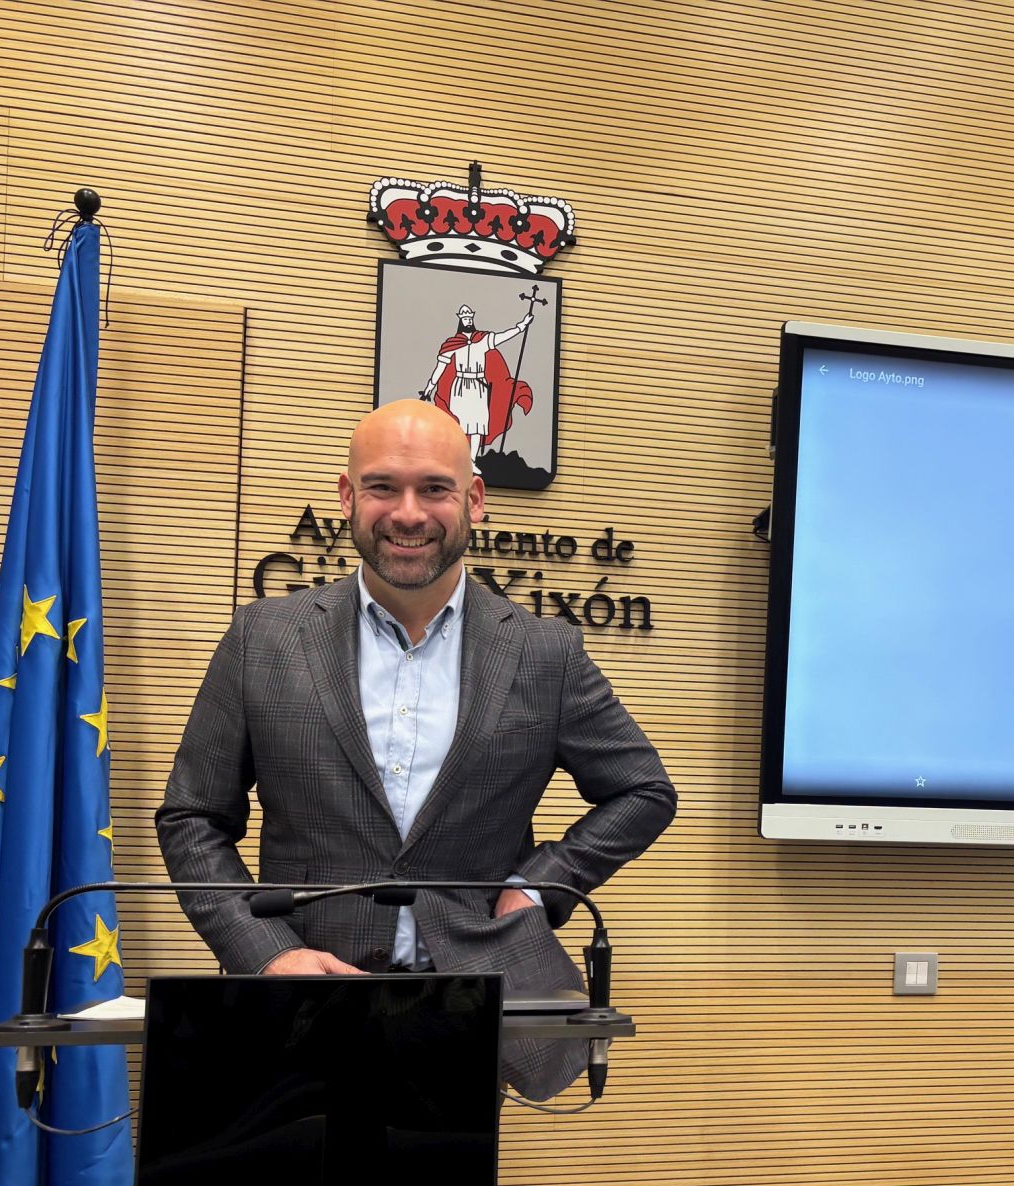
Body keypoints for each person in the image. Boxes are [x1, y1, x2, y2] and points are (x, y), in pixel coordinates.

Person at [155, 399, 676, 1097]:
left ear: (475, 500)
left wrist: (538, 886)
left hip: (468, 1007)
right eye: (382, 487)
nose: (407, 513)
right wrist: (266, 954)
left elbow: (643, 791)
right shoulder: (262, 641)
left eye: (434, 488)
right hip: (297, 1005)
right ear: (348, 496)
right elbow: (193, 819)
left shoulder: (544, 653)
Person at [419, 302, 534, 459]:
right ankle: (458, 458)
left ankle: (472, 461)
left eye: (469, 318)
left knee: (478, 425)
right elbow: (440, 368)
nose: (467, 321)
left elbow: (503, 336)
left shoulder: (482, 340)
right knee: (459, 424)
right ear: (460, 320)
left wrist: (521, 326)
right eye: (464, 318)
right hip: (460, 385)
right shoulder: (452, 345)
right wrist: (429, 388)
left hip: (478, 386)